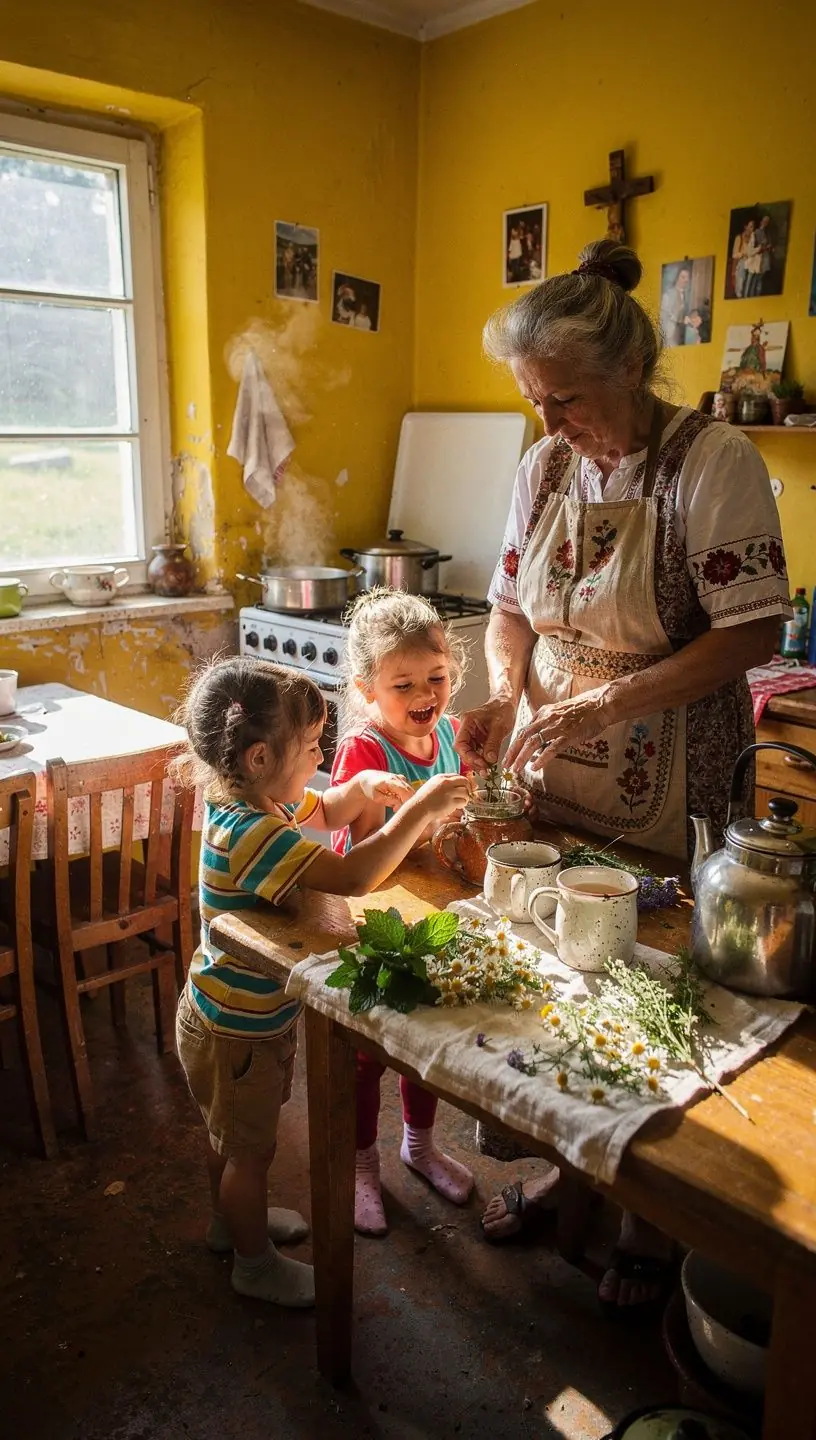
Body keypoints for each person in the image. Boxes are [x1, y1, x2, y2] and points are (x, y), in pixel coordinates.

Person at [456, 238, 790, 1313]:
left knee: (657, 994)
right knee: (560, 978)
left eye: (565, 397)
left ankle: (653, 1218)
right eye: (534, 400)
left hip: (673, 769)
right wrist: (506, 693)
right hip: (554, 759)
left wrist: (604, 702)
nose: (549, 421)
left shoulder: (711, 460)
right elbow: (508, 607)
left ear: (632, 371)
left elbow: (753, 631)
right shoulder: (546, 467)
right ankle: (572, 1170)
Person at [174, 656, 470, 1307]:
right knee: (248, 1154)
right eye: (311, 747)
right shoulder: (252, 832)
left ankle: (231, 1224)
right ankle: (252, 1264)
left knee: (229, 1138)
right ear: (258, 757)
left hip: (228, 1016)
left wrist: (362, 788)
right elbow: (354, 877)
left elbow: (329, 809)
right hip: (236, 1028)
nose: (320, 757)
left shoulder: (257, 798)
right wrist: (418, 809)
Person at [330, 590, 475, 1236]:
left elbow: (457, 822)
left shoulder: (447, 735)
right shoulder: (364, 755)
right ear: (368, 690)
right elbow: (360, 859)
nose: (425, 694)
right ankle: (362, 1164)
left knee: (426, 1036)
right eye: (403, 684)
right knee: (368, 1054)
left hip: (433, 913)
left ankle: (419, 1146)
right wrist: (423, 812)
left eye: (436, 677)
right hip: (375, 923)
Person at [659, 264, 690, 346]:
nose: (686, 280)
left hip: (682, 334)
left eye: (687, 278)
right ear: (677, 278)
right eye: (683, 277)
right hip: (670, 335)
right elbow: (664, 316)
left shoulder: (686, 295)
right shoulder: (667, 295)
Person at [731, 218, 755, 299]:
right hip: (742, 264)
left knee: (748, 290)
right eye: (750, 226)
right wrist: (743, 254)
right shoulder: (739, 238)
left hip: (751, 265)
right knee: (740, 288)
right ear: (745, 227)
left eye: (753, 227)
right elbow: (734, 255)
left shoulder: (753, 238)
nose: (752, 229)